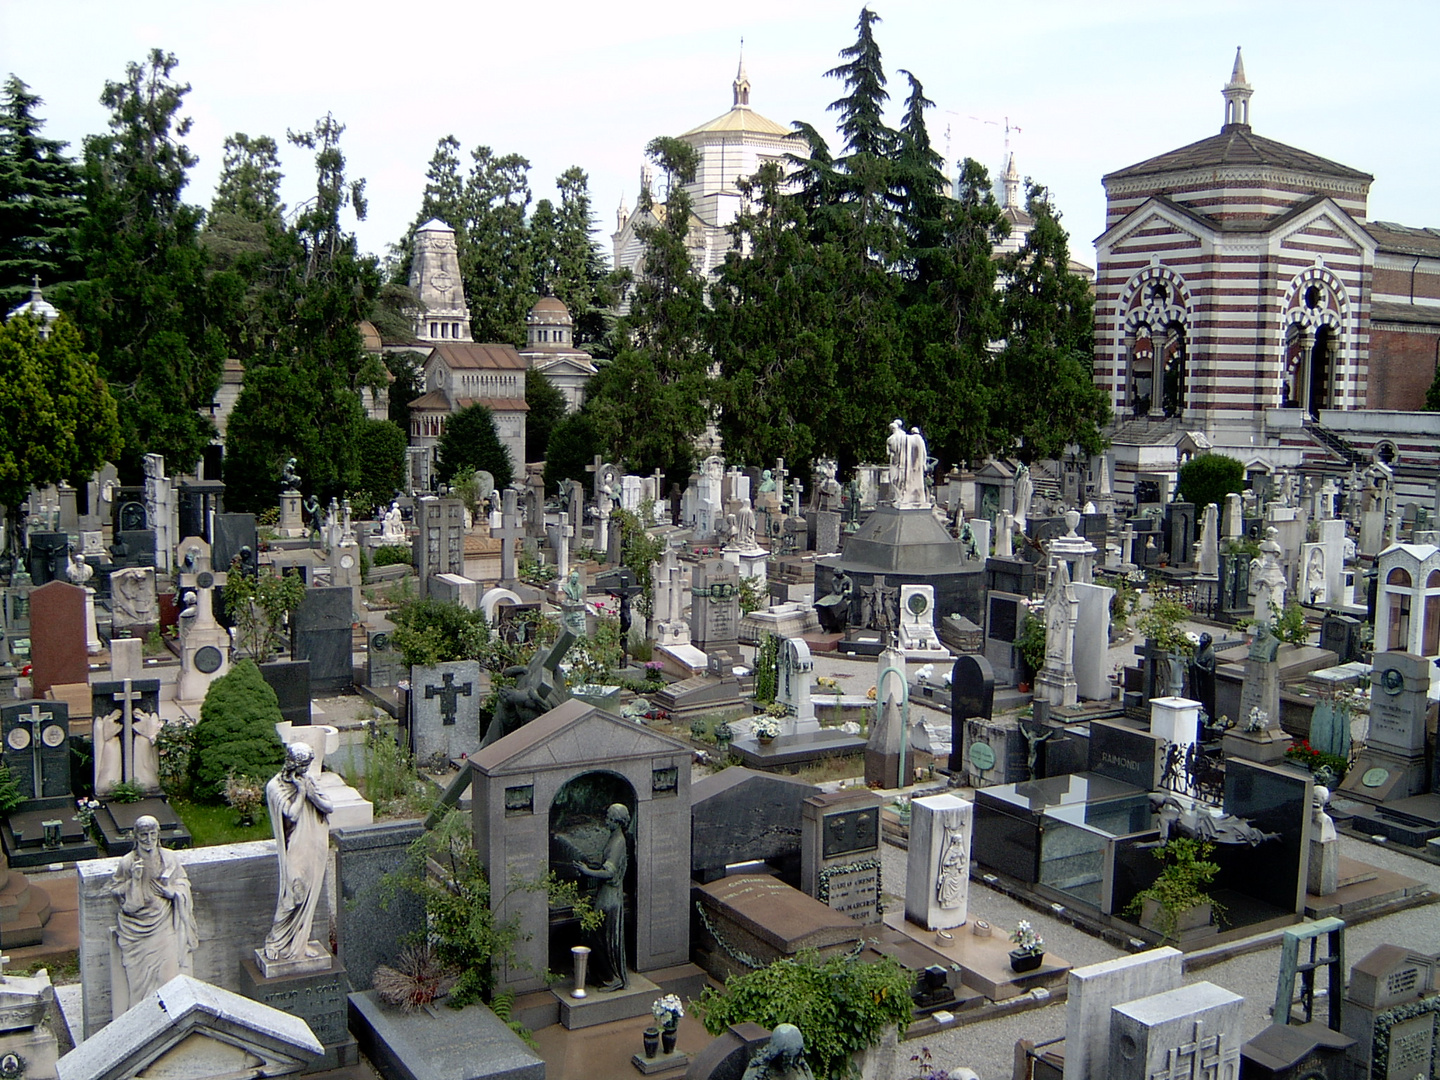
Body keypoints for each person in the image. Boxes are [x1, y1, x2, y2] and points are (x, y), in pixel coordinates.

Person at [109, 815, 197, 1008]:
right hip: (135, 931)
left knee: (168, 977)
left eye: (152, 834)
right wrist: (134, 880)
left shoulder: (169, 858)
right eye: (143, 835)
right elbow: (115, 890)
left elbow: (182, 881)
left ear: (158, 834)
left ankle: (170, 1014)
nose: (148, 839)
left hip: (163, 923)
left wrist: (172, 892)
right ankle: (143, 1017)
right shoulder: (127, 862)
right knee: (139, 986)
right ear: (136, 836)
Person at [263, 743, 333, 963]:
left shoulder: (306, 780)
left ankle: (300, 943)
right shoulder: (275, 786)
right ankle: (274, 940)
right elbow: (291, 814)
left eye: (307, 765)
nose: (305, 770)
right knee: (294, 893)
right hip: (295, 845)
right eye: (303, 765)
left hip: (314, 844)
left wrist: (311, 794)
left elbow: (328, 806)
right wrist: (302, 794)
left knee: (309, 895)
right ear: (292, 763)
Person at [575, 803, 630, 991]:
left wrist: (587, 871)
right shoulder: (614, 838)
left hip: (609, 897)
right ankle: (601, 975)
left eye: (609, 818)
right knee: (594, 934)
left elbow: (609, 872)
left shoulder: (618, 842)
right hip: (605, 894)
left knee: (598, 936)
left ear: (617, 821)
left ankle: (611, 977)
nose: (606, 821)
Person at [741, 1024, 816, 1080]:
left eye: (794, 1056)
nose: (791, 1062)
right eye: (787, 1057)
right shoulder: (756, 1074)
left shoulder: (803, 1071)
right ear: (776, 1053)